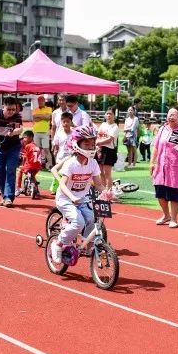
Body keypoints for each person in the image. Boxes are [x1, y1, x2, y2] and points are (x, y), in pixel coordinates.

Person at [49, 125, 107, 264]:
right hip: (65, 199)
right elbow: (62, 184)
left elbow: (98, 184)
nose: (91, 146)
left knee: (92, 218)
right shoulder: (71, 163)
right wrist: (72, 197)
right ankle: (58, 243)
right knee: (78, 222)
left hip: (83, 198)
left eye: (92, 143)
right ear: (77, 143)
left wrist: (107, 193)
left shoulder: (93, 163)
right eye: (86, 143)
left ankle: (87, 245)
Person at [150, 108, 178, 228]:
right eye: (169, 115)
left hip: (176, 168)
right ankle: (166, 215)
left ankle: (174, 218)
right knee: (160, 192)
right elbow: (156, 147)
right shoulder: (163, 129)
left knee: (174, 192)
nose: (171, 117)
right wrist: (152, 163)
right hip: (161, 166)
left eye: (174, 115)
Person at [0, 97, 23, 207]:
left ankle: (9, 197)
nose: (11, 112)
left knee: (10, 170)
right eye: (9, 109)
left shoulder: (17, 116)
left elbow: (20, 129)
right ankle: (4, 195)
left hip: (13, 147)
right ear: (3, 107)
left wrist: (13, 133)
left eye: (13, 109)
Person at [50, 112, 74, 194]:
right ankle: (54, 188)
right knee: (58, 172)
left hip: (71, 156)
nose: (66, 123)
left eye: (68, 121)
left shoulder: (74, 133)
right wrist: (55, 152)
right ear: (61, 122)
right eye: (64, 121)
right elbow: (56, 145)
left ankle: (67, 187)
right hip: (61, 157)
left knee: (69, 173)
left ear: (71, 122)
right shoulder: (59, 133)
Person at [96, 107, 119, 192]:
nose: (109, 115)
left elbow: (109, 139)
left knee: (107, 173)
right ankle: (103, 191)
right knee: (100, 172)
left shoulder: (115, 127)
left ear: (114, 116)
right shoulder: (103, 125)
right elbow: (99, 136)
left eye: (111, 114)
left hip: (109, 151)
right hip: (100, 149)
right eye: (107, 113)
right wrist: (98, 147)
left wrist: (98, 143)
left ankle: (108, 192)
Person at [15, 130, 42, 197]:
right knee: (32, 176)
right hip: (38, 166)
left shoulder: (27, 146)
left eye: (25, 137)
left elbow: (24, 157)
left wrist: (22, 165)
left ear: (30, 138)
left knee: (20, 171)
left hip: (30, 166)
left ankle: (18, 188)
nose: (24, 139)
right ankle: (37, 191)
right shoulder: (36, 146)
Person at [31, 95, 53, 168]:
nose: (40, 102)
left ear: (44, 101)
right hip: (36, 132)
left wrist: (39, 116)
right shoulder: (35, 109)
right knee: (37, 149)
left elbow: (48, 118)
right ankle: (36, 164)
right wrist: (44, 116)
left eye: (41, 100)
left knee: (46, 149)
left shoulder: (49, 108)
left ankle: (50, 165)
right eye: (39, 101)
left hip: (45, 132)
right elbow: (35, 118)